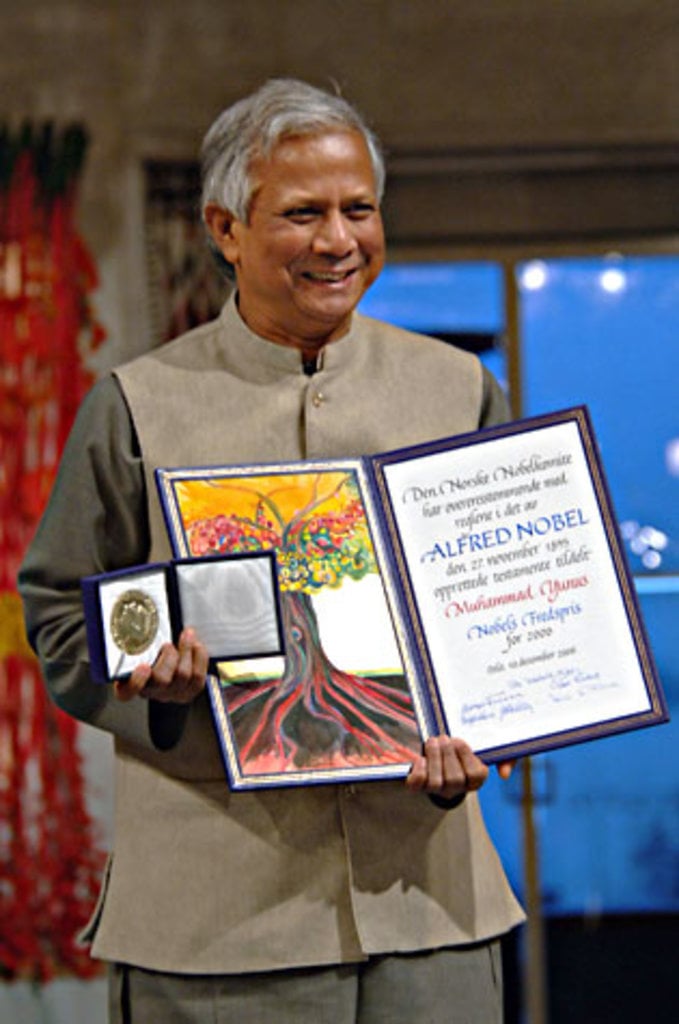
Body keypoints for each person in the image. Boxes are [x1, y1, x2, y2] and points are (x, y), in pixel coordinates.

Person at [19, 78, 524, 1023]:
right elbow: (61, 612)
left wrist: (492, 725)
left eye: (359, 209)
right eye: (302, 213)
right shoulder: (136, 404)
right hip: (216, 925)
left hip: (429, 913)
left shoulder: (459, 391)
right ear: (223, 229)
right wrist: (151, 686)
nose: (339, 240)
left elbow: (496, 609)